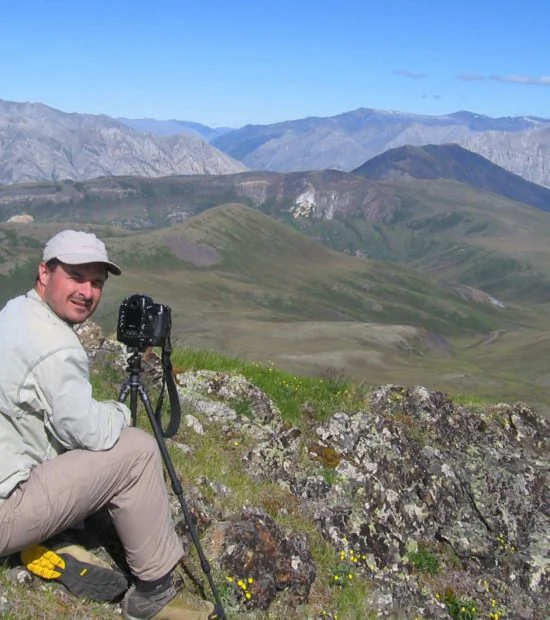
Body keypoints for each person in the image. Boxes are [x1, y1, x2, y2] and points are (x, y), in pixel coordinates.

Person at [0, 229, 217, 620]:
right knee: (136, 449)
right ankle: (154, 591)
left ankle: (55, 539)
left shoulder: (14, 311)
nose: (88, 291)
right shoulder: (56, 347)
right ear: (45, 273)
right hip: (5, 510)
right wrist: (119, 414)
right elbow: (92, 433)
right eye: (76, 276)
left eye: (96, 282)